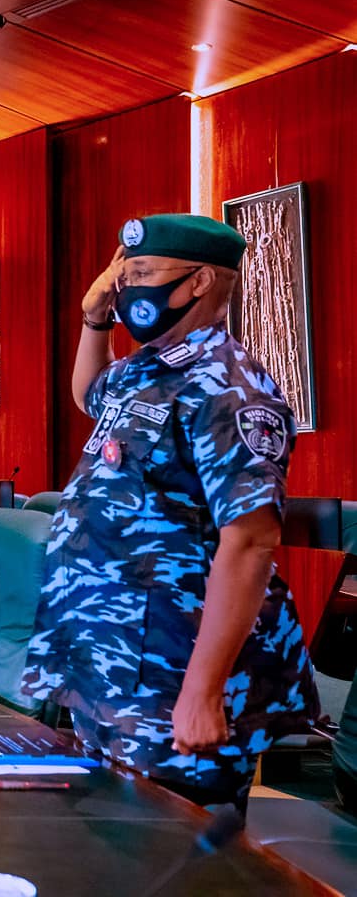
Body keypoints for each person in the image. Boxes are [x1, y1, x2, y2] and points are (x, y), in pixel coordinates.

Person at [21, 214, 317, 814]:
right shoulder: (141, 370)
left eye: (144, 275)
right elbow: (88, 395)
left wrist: (202, 691)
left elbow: (252, 543)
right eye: (123, 278)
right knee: (113, 845)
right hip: (110, 659)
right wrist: (94, 316)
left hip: (171, 668)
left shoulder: (232, 387)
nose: (130, 290)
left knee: (176, 854)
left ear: (201, 281)